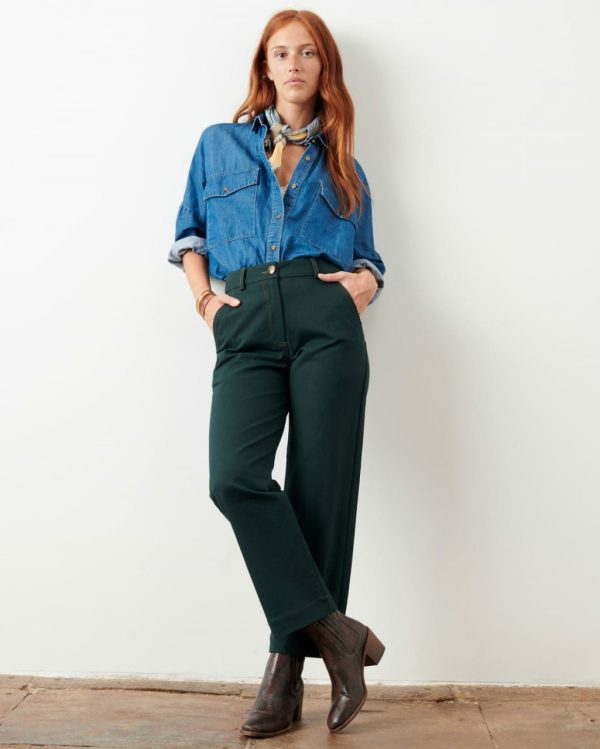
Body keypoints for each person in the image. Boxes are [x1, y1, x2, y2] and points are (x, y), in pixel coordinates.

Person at [167, 9, 387, 738]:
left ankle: (285, 675)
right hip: (247, 318)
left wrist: (364, 285)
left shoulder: (347, 166)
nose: (293, 64)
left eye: (308, 53)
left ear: (324, 69)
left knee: (321, 496)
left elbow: (371, 259)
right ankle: (339, 635)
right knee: (233, 478)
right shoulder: (219, 143)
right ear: (264, 67)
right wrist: (206, 303)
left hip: (325, 322)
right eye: (280, 53)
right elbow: (189, 233)